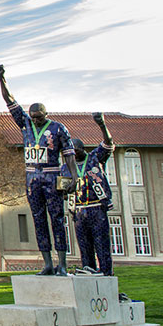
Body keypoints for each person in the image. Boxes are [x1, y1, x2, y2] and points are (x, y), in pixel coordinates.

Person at [0, 65, 78, 276]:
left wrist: (73, 176)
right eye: (33, 117)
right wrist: (1, 77)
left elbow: (69, 153)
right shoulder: (25, 124)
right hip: (32, 177)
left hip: (52, 175)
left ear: (46, 115)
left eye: (39, 117)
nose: (36, 120)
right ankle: (47, 263)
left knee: (57, 218)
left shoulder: (58, 128)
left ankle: (62, 264)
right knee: (38, 219)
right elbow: (9, 100)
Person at [66, 113, 116, 276]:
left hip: (96, 208)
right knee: (85, 246)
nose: (74, 153)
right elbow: (62, 189)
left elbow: (108, 143)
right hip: (79, 211)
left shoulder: (94, 158)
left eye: (77, 150)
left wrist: (102, 125)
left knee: (101, 245)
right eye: (71, 152)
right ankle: (88, 273)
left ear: (83, 149)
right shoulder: (66, 167)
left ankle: (107, 275)